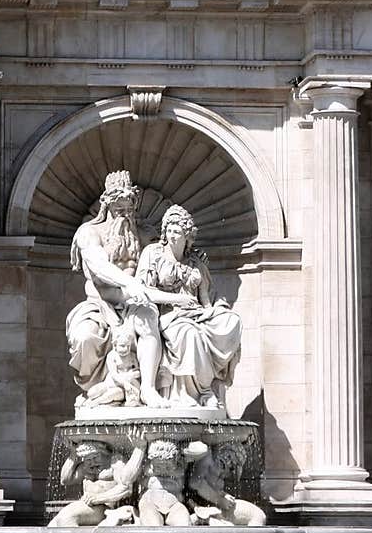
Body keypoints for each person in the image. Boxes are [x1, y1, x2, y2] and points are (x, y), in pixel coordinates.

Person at [67, 170, 163, 408]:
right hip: (99, 304)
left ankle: (148, 389)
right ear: (107, 206)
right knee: (85, 337)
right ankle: (94, 390)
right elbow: (98, 266)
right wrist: (129, 282)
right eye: (118, 209)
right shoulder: (89, 232)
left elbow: (167, 259)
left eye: (128, 209)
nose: (124, 214)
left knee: (148, 320)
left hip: (136, 303)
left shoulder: (144, 234)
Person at [135, 204, 242, 410]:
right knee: (190, 334)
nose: (173, 235)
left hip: (195, 313)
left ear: (187, 236)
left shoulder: (196, 262)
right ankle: (197, 392)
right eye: (169, 230)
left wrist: (212, 312)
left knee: (231, 321)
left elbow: (205, 299)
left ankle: (204, 388)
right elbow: (144, 291)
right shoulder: (153, 254)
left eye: (178, 231)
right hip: (167, 315)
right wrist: (177, 300)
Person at [48, 438, 145, 527]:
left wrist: (97, 498)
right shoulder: (86, 467)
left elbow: (126, 488)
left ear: (105, 453)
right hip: (88, 505)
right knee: (52, 525)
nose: (92, 462)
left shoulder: (115, 462)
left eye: (95, 457)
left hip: (105, 507)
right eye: (88, 459)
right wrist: (73, 454)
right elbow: (65, 480)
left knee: (67, 517)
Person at [76, 320, 142, 410]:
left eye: (128, 346)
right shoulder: (112, 356)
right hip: (109, 384)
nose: (126, 349)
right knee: (91, 393)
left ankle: (96, 402)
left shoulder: (132, 356)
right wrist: (125, 380)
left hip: (121, 388)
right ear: (115, 345)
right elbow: (114, 374)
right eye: (122, 346)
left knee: (112, 394)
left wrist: (130, 378)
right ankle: (92, 400)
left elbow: (138, 372)